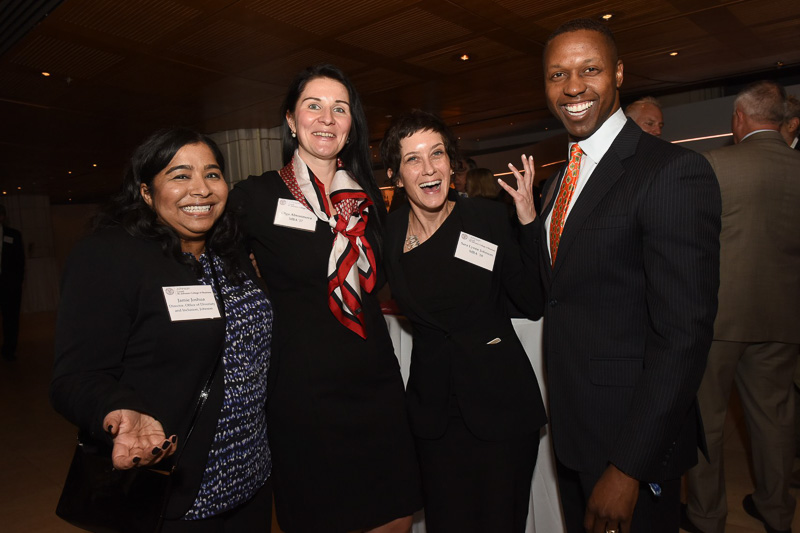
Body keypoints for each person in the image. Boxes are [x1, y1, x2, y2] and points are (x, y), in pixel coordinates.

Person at [514, 18, 720, 533]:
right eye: (557, 75)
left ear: (619, 74)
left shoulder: (670, 170)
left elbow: (683, 336)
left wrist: (629, 467)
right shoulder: (561, 178)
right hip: (575, 432)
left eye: (590, 70)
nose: (573, 87)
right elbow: (559, 293)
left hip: (631, 444)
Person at [228, 64, 421, 533]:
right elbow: (220, 275)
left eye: (340, 109)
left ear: (351, 125)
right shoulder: (255, 197)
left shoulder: (367, 194)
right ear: (291, 121)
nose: (327, 119)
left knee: (393, 515)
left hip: (374, 376)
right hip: (302, 388)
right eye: (313, 106)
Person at [51, 128, 274, 531]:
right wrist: (116, 409)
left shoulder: (230, 251)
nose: (200, 189)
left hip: (251, 480)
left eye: (211, 174)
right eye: (180, 175)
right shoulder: (109, 256)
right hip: (171, 492)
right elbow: (75, 377)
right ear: (146, 192)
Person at [380, 110, 546, 532]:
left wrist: (527, 219)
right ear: (397, 176)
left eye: (437, 154)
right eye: (413, 159)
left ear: (452, 164)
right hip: (435, 416)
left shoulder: (486, 220)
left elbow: (532, 300)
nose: (429, 167)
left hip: (501, 405)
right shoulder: (387, 234)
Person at [683, 81, 800, 533]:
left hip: (718, 318)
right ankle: (776, 513)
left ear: (739, 119)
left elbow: (692, 243)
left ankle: (707, 516)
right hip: (784, 317)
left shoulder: (714, 165)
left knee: (707, 420)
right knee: (774, 419)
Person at [0, 204, 24, 361]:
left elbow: (20, 262)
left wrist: (16, 284)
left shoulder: (13, 235)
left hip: (9, 286)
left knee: (10, 320)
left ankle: (9, 352)